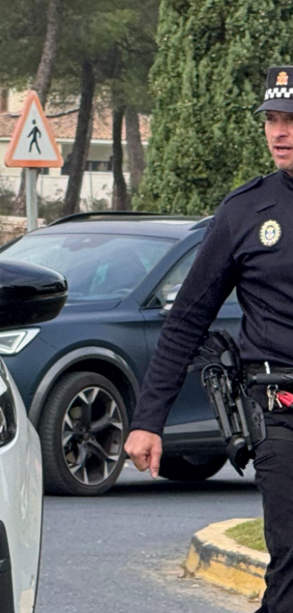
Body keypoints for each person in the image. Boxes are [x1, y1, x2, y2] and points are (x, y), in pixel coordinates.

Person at [125, 66, 293, 613]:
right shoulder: (245, 211)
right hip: (280, 409)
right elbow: (187, 319)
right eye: (271, 119)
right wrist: (149, 419)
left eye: (291, 120)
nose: (279, 132)